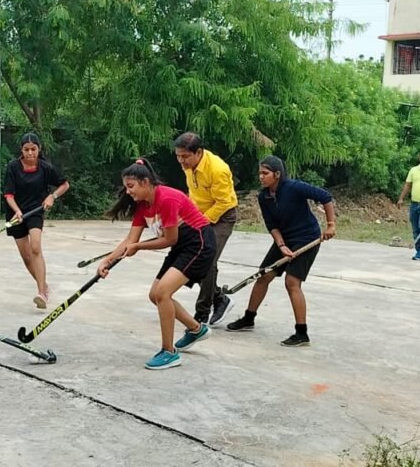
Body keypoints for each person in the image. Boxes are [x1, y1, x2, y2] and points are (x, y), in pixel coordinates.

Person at [98, 158, 215, 370]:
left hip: (199, 243)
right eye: (126, 187)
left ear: (145, 182)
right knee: (156, 295)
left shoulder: (167, 199)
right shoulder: (142, 207)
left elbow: (170, 239)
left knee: (162, 293)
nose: (128, 192)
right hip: (181, 246)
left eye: (131, 186)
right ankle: (197, 329)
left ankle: (169, 352)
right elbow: (129, 241)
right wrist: (107, 261)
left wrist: (140, 247)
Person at [226, 156, 336, 347]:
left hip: (306, 238)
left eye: (265, 173)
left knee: (292, 283)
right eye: (260, 173)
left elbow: (325, 197)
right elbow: (272, 225)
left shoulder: (294, 187)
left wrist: (331, 225)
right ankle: (248, 318)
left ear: (277, 174)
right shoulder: (264, 197)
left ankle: (302, 333)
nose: (261, 177)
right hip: (284, 238)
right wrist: (281, 245)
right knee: (263, 276)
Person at [174, 132, 237, 327]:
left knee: (207, 260)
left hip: (222, 216)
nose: (181, 161)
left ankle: (202, 313)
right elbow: (193, 195)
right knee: (191, 256)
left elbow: (223, 202)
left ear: (199, 152)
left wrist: (200, 221)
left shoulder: (218, 169)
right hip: (200, 214)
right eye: (178, 156)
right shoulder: (188, 166)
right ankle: (219, 299)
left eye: (185, 156)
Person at [3, 133, 70, 309]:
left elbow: (65, 184)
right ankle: (44, 285)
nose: (30, 153)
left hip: (35, 212)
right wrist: (17, 211)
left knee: (35, 247)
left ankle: (41, 292)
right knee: (26, 257)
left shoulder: (46, 168)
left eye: (33, 149)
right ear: (21, 150)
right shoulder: (13, 167)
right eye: (26, 150)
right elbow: (8, 194)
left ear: (39, 149)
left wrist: (52, 196)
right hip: (15, 213)